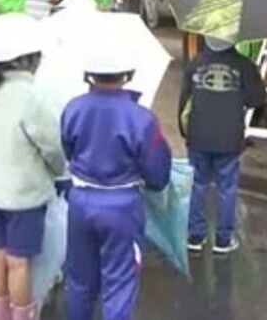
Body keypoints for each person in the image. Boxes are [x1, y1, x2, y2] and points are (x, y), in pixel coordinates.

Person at [60, 28, 172, 320]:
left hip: (81, 200)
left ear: (89, 74)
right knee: (119, 282)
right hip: (122, 205)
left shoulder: (73, 108)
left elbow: (68, 151)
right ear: (128, 73)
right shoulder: (141, 118)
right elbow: (157, 173)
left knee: (79, 282)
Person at [0, 13, 65, 320]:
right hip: (24, 195)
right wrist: (58, 170)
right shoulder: (31, 95)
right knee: (19, 262)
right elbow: (52, 147)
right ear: (27, 58)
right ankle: (23, 316)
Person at [179, 35, 267, 254]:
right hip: (229, 137)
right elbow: (256, 100)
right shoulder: (245, 66)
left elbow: (183, 102)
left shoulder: (194, 64)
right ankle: (223, 239)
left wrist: (185, 132)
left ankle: (195, 236)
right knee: (226, 188)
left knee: (198, 184)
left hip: (198, 135)